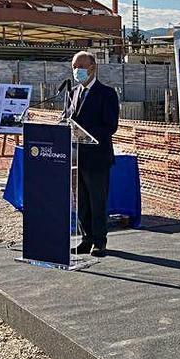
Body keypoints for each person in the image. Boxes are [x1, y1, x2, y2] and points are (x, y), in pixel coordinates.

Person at [69, 51, 120, 258]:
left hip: (97, 157)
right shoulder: (72, 92)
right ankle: (86, 238)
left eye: (80, 66)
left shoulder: (106, 93)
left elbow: (110, 126)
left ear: (92, 67)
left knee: (97, 202)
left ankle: (100, 241)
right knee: (82, 203)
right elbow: (69, 118)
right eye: (74, 67)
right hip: (77, 156)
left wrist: (85, 131)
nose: (76, 71)